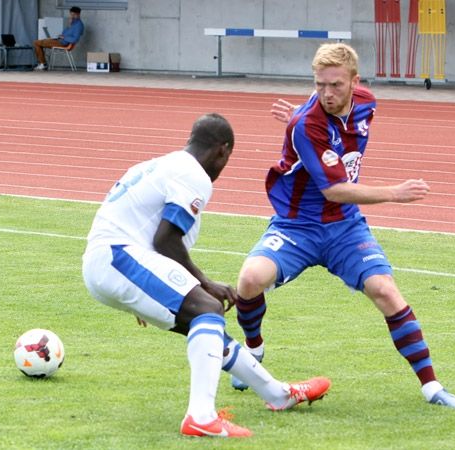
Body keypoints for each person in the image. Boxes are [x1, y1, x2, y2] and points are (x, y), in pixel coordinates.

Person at [229, 43, 455, 410]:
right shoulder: (306, 125)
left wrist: (300, 113)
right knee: (248, 279)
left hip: (345, 228)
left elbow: (335, 135)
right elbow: (335, 190)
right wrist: (394, 193)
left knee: (386, 291)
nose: (327, 93)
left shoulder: (367, 103)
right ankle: (254, 348)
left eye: (336, 85)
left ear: (355, 83)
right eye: (319, 84)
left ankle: (432, 387)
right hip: (298, 227)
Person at [82, 113, 331, 438]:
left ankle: (278, 394)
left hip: (111, 261)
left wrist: (141, 287)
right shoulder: (193, 174)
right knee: (209, 307)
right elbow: (166, 238)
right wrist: (205, 282)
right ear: (222, 151)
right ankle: (201, 416)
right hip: (118, 257)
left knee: (203, 326)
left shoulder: (161, 164)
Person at [33, 6, 84, 71]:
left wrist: (64, 37)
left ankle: (43, 64)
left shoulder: (79, 25)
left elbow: (75, 39)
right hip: (59, 40)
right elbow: (64, 33)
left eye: (74, 15)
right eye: (71, 15)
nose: (72, 17)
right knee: (40, 41)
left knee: (36, 43)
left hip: (63, 43)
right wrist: (69, 25)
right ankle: (43, 63)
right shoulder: (73, 23)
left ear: (79, 14)